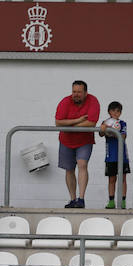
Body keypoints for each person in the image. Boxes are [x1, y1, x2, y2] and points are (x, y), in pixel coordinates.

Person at [54, 79, 99, 209]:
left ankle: (81, 199)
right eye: (74, 91)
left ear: (85, 93)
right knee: (69, 170)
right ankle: (73, 199)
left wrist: (69, 123)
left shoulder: (93, 101)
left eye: (79, 92)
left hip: (84, 141)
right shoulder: (65, 101)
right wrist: (78, 120)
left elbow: (91, 123)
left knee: (82, 164)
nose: (76, 94)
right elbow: (58, 122)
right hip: (66, 140)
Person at [99, 100, 129, 209]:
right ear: (109, 112)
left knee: (123, 179)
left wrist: (112, 130)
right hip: (110, 156)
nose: (116, 113)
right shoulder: (105, 122)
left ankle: (123, 201)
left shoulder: (122, 123)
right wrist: (104, 128)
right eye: (113, 111)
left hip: (122, 156)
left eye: (118, 111)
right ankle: (111, 201)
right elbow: (101, 134)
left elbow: (123, 137)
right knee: (111, 179)